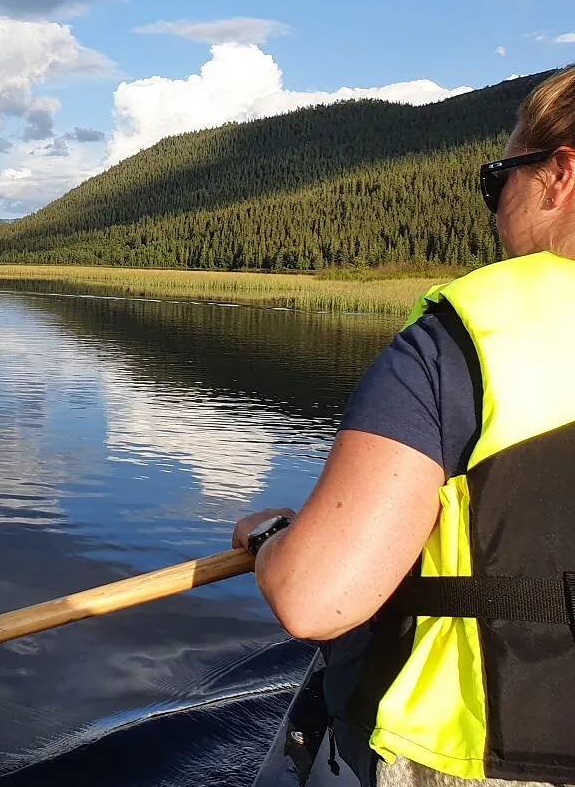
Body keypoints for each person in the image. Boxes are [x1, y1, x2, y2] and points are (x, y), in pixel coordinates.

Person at [234, 66, 575, 787]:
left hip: (475, 760)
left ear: (559, 175)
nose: (493, 205)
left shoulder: (473, 332)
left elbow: (315, 597)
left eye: (498, 178)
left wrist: (271, 542)